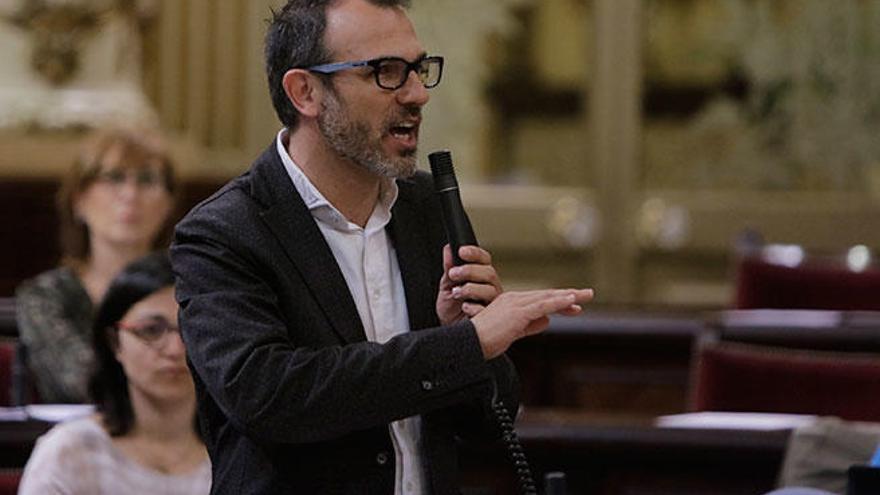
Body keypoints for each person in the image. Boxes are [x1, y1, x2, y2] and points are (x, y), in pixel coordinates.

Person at [170, 0, 594, 493]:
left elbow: (482, 427)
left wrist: (470, 339)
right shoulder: (224, 232)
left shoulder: (426, 208)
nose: (417, 94)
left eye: (418, 69)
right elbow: (272, 396)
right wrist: (464, 345)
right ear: (305, 91)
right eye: (386, 73)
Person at [18, 253, 210, 495]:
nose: (175, 349)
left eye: (189, 330)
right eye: (151, 330)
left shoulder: (238, 454)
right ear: (114, 342)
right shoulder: (69, 452)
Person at [16, 128, 177, 403]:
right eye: (114, 178)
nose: (130, 194)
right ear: (78, 200)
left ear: (168, 204)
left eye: (147, 180)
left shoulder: (194, 286)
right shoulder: (47, 295)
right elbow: (82, 382)